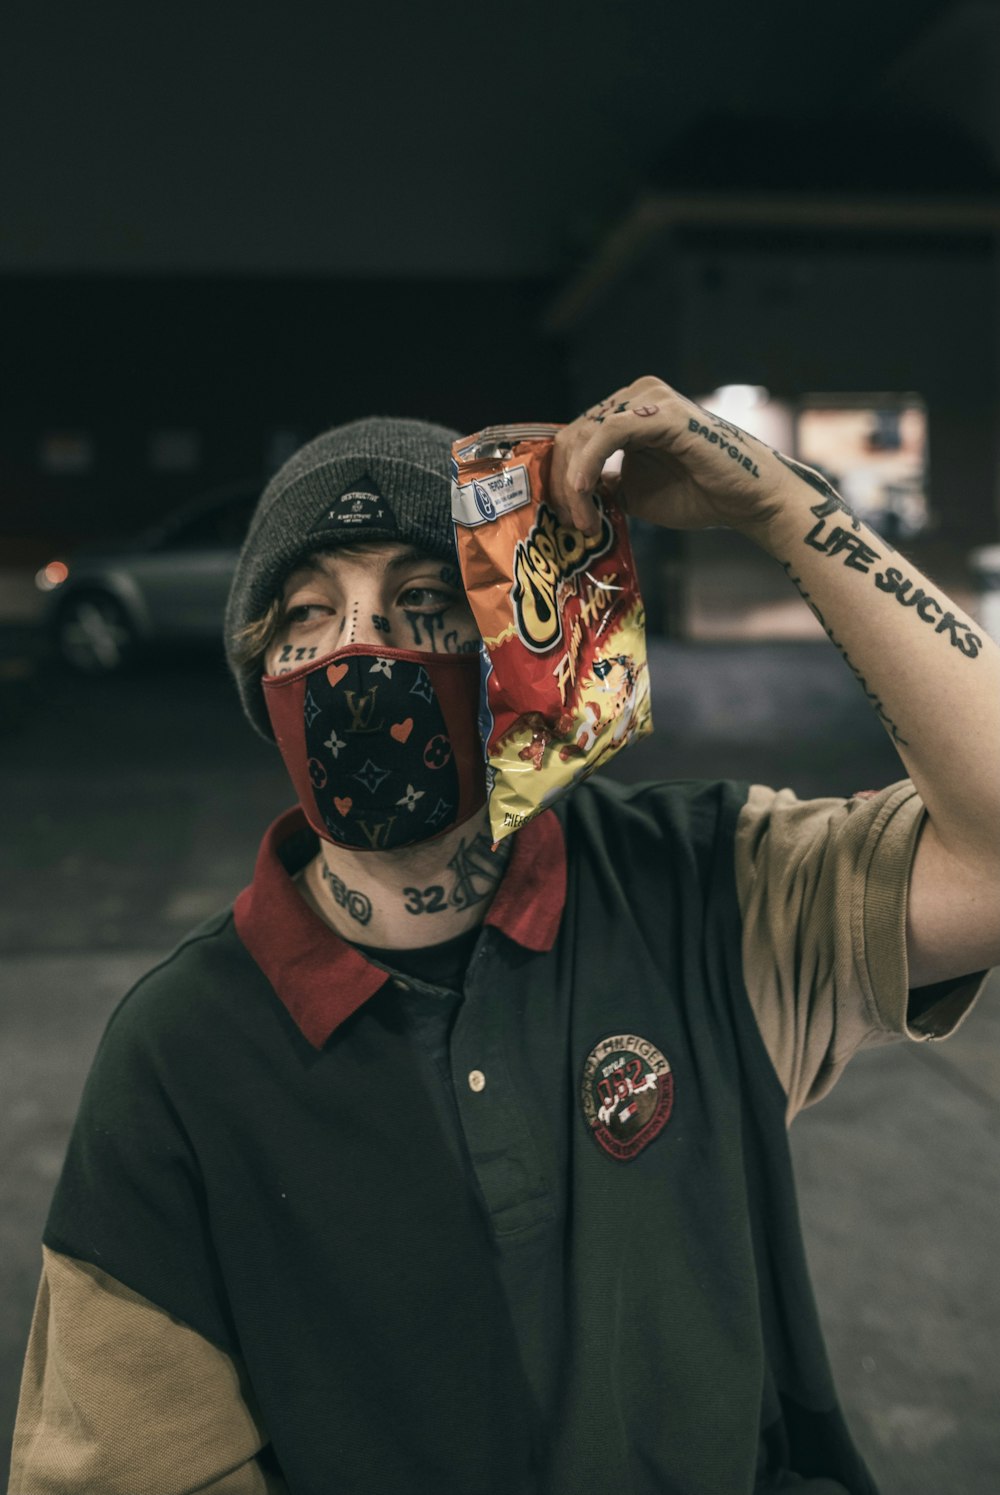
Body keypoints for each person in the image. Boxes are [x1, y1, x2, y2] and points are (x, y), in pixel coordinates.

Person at [9, 377, 999, 1495]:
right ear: (265, 681)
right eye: (305, 615)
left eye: (424, 599)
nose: (360, 651)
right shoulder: (180, 1054)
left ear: (510, 651)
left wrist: (786, 510)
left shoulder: (698, 885)